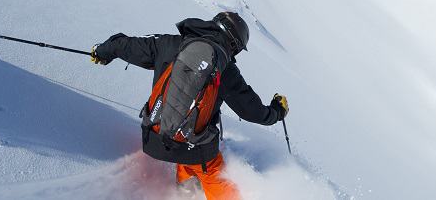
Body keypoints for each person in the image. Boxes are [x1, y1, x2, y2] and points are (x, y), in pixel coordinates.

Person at [91, 11, 289, 200]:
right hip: (192, 149)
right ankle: (195, 189)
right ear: (234, 43)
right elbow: (252, 111)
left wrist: (101, 52)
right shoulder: (225, 68)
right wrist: (277, 111)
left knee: (188, 145)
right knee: (210, 170)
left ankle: (186, 193)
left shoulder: (169, 44)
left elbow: (125, 45)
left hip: (152, 136)